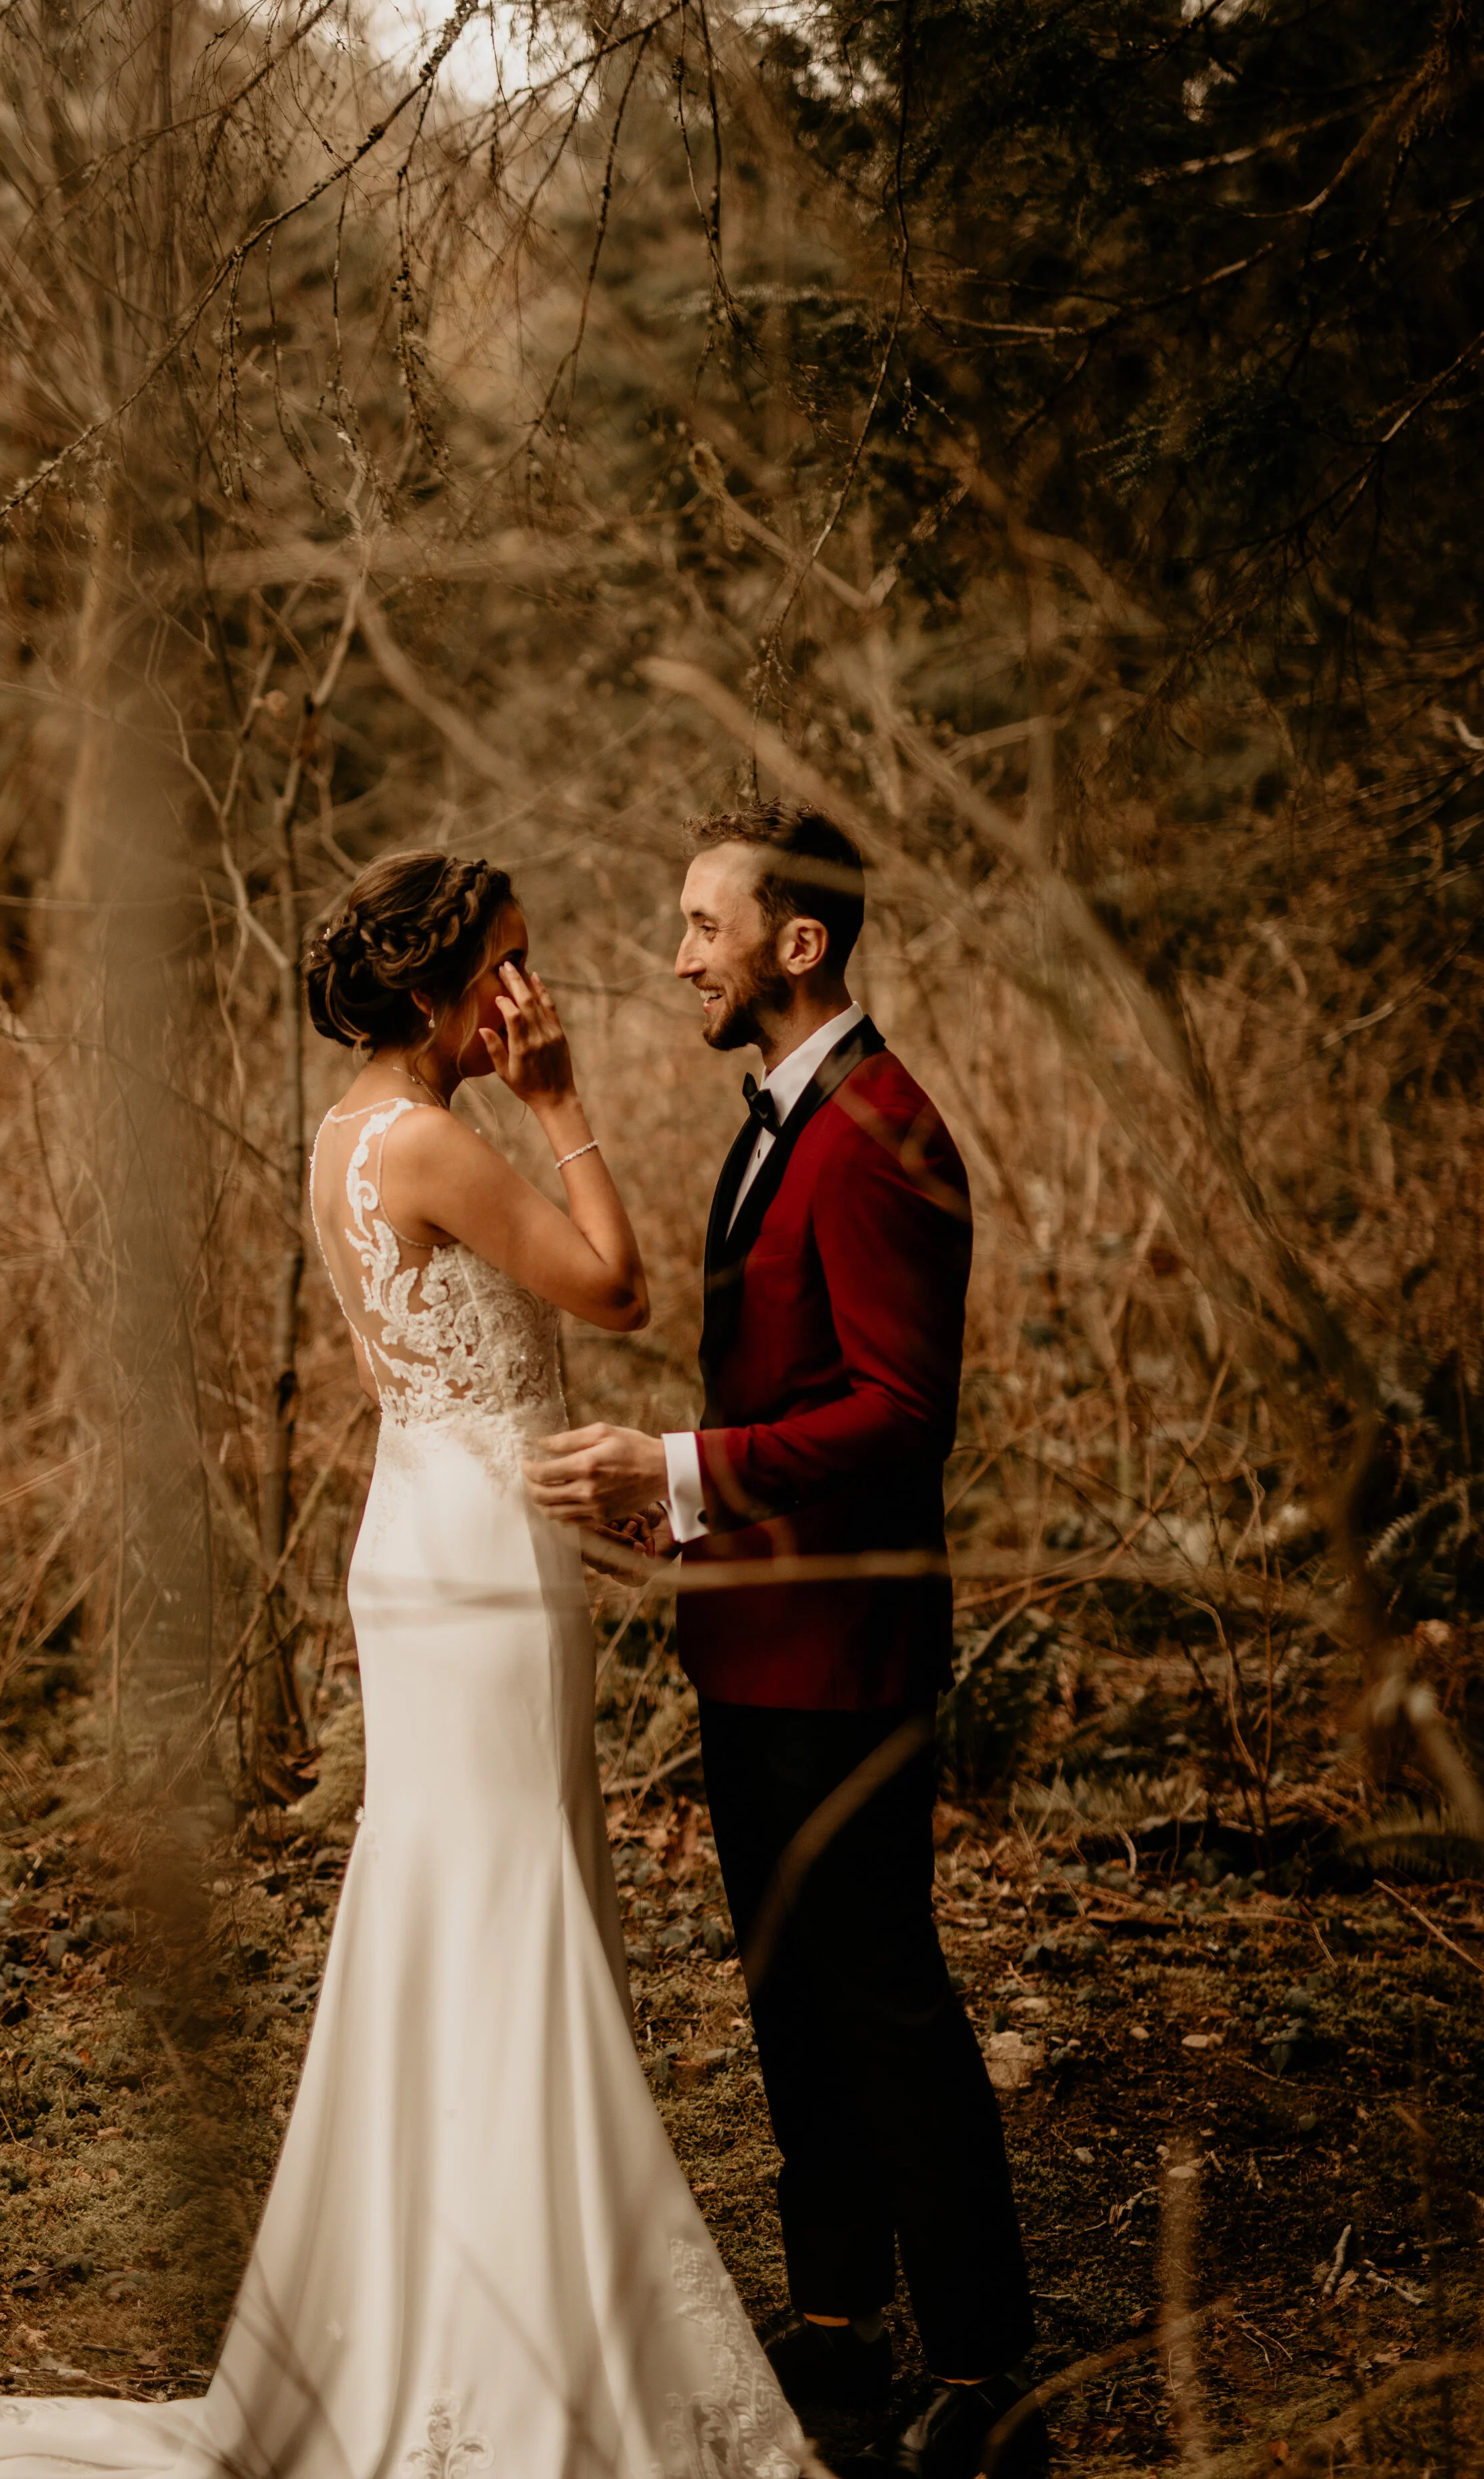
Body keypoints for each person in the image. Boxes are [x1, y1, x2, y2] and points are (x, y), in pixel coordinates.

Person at [0, 849, 806, 2479]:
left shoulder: (346, 1131)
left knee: (455, 1897)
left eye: (529, 966)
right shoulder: (432, 1140)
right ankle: (513, 2313)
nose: (525, 994)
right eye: (502, 965)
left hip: (423, 1524)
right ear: (431, 990)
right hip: (480, 1548)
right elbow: (616, 1290)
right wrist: (563, 1106)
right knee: (508, 1903)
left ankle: (461, 2280)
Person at [524, 806, 1043, 2479]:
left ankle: (985, 2371)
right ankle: (836, 2328)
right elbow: (782, 1388)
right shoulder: (779, 1117)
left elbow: (897, 1416)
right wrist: (668, 1514)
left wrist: (677, 1470)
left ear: (793, 943)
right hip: (751, 1643)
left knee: (881, 2000)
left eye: (700, 924)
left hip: (847, 1661)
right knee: (787, 2001)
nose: (678, 954)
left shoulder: (883, 1132)